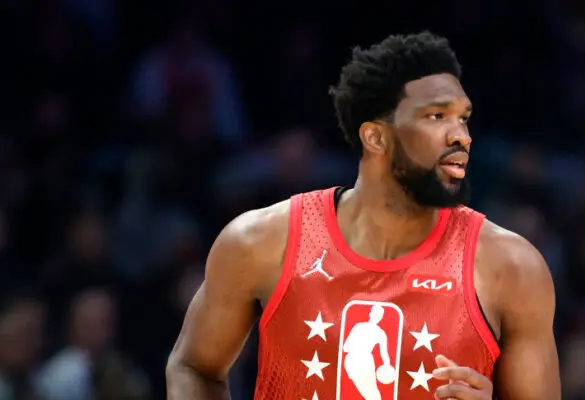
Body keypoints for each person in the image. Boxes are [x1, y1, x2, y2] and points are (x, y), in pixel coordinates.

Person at [166, 31, 560, 400]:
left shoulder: (511, 266)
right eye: (437, 117)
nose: (461, 135)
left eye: (463, 117)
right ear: (375, 137)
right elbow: (193, 367)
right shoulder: (261, 241)